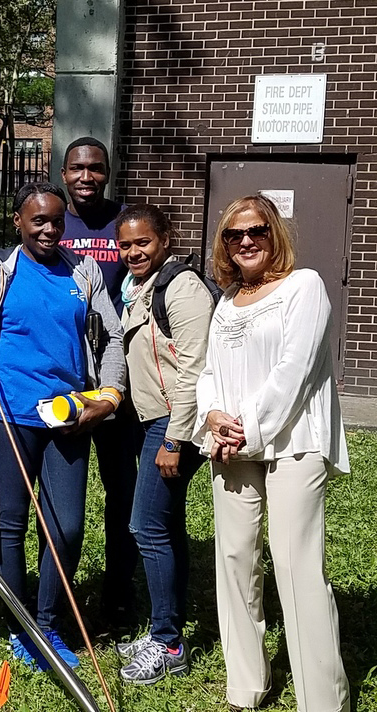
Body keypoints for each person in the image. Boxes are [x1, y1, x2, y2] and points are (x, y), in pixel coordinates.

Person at [0, 182, 126, 671]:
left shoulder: (83, 270)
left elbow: (112, 336)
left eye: (56, 220)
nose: (49, 229)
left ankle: (47, 622)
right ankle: (19, 624)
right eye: (38, 220)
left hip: (68, 414)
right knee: (12, 522)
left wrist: (109, 396)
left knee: (66, 526)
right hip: (7, 413)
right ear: (18, 222)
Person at [193, 195, 350, 712]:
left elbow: (295, 372)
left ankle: (323, 702)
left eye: (256, 230)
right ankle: (245, 687)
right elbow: (210, 372)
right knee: (235, 562)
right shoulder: (226, 302)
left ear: (273, 233)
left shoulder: (304, 287)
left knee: (297, 568)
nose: (245, 241)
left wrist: (247, 428)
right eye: (233, 235)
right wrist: (214, 415)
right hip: (233, 443)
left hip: (292, 443)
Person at [112, 204, 214, 684]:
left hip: (177, 423)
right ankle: (166, 627)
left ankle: (168, 643)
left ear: (166, 240)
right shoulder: (138, 288)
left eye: (143, 243)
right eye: (125, 244)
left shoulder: (182, 287)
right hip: (156, 420)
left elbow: (195, 368)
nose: (133, 252)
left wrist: (174, 439)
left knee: (145, 526)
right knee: (166, 525)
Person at [60, 136, 141, 629]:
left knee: (121, 491)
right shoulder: (51, 221)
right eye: (77, 168)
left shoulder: (123, 222)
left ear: (107, 173)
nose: (86, 177)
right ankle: (60, 592)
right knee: (64, 492)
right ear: (63, 173)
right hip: (65, 375)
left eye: (95, 168)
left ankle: (117, 594)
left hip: (117, 373)